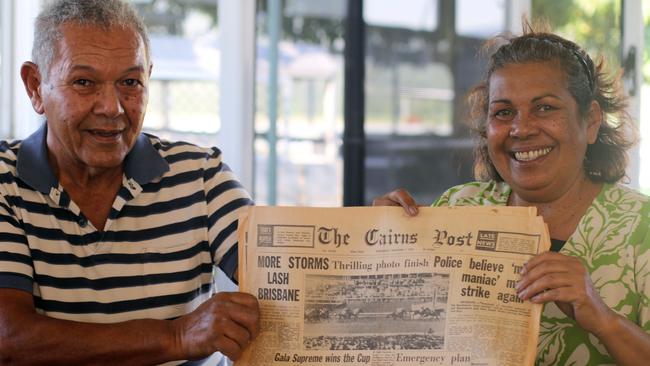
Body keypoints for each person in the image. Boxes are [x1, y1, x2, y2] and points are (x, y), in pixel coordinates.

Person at [374, 22, 650, 365]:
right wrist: (377, 255)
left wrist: (603, 319)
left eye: (545, 108)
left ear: (591, 120)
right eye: (503, 113)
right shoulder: (459, 208)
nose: (521, 128)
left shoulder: (642, 228)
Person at [0, 0, 259, 365]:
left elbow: (283, 271)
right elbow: (9, 339)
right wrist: (177, 335)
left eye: (130, 82)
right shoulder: (4, 184)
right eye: (84, 82)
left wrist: (365, 247)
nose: (112, 107)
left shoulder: (200, 175)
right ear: (35, 87)